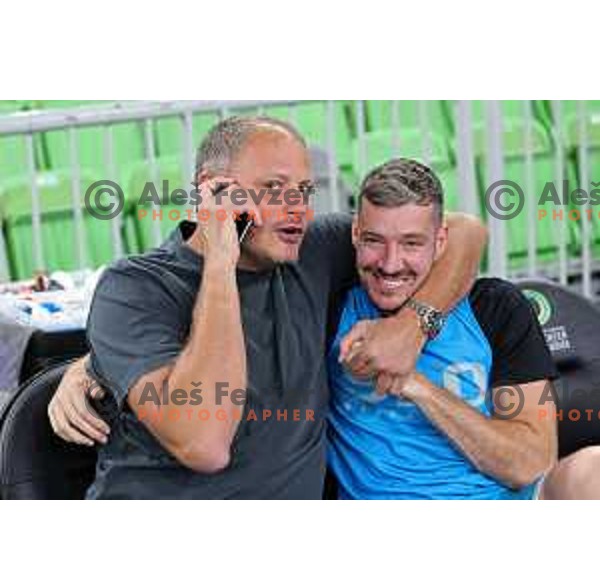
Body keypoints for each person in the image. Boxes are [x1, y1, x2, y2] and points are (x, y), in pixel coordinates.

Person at [47, 116, 487, 499]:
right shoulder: (135, 288)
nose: (298, 211)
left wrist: (413, 327)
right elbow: (205, 444)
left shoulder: (309, 253)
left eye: (304, 191)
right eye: (274, 190)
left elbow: (465, 231)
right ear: (212, 192)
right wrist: (221, 263)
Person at [327, 158, 559, 499]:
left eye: (411, 243)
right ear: (355, 234)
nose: (390, 264)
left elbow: (531, 463)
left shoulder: (497, 307)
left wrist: (416, 385)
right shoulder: (330, 309)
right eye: (374, 241)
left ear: (440, 241)